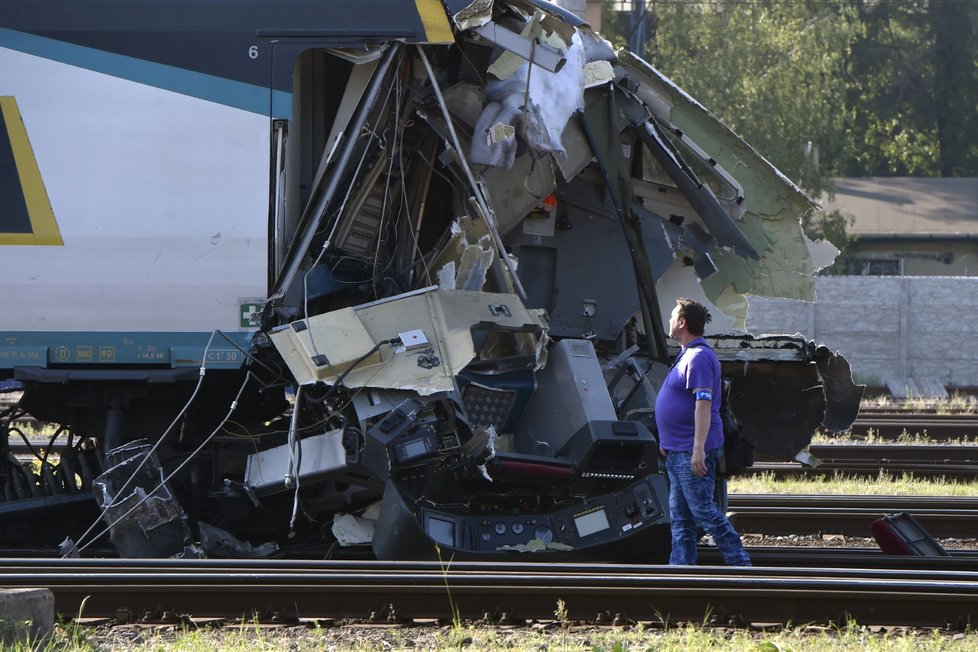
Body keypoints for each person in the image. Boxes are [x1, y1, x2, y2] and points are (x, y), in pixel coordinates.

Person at [654, 298, 751, 566]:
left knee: (705, 513)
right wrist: (667, 441)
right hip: (678, 450)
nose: (670, 320)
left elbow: (703, 405)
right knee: (681, 518)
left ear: (683, 322)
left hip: (691, 451)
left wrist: (698, 449)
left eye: (674, 315)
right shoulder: (687, 354)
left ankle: (740, 564)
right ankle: (681, 572)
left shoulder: (698, 358)